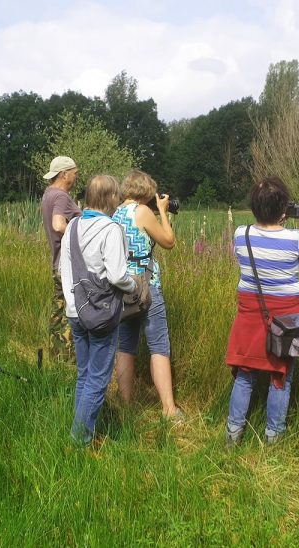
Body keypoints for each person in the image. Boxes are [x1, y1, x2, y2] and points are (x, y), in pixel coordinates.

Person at [225, 176, 299, 445]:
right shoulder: (295, 239)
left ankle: (232, 436)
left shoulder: (240, 235)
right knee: (280, 377)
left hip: (250, 314)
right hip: (286, 320)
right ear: (283, 209)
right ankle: (273, 438)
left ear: (254, 207)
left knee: (244, 375)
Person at [59, 174, 137, 446]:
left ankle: (80, 430)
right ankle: (80, 440)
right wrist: (134, 286)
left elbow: (63, 267)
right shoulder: (111, 229)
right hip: (100, 313)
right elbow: (117, 276)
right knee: (98, 378)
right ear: (110, 198)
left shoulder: (73, 225)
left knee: (84, 374)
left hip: (74, 310)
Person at [112, 170, 184, 421]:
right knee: (159, 345)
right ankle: (168, 409)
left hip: (123, 285)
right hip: (146, 285)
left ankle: (125, 404)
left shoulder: (117, 212)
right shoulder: (142, 212)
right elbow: (168, 241)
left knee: (126, 345)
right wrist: (163, 211)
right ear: (146, 190)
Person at [41, 156, 81, 361]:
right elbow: (58, 225)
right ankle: (68, 361)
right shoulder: (61, 196)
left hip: (57, 264)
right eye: (74, 174)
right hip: (67, 267)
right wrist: (81, 238)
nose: (76, 178)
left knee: (58, 313)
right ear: (64, 174)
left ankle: (55, 357)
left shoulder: (48, 194)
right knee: (71, 314)